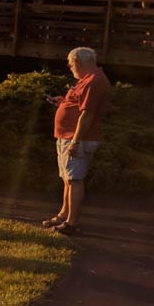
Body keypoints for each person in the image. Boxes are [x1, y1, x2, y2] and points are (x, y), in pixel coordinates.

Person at [43, 47, 111, 235]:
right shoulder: (86, 80)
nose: (70, 67)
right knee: (67, 179)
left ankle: (72, 223)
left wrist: (76, 141)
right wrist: (63, 102)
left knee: (74, 179)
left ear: (79, 63)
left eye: (71, 63)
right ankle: (64, 214)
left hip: (77, 138)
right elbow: (79, 105)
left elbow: (87, 114)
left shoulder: (93, 81)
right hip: (67, 135)